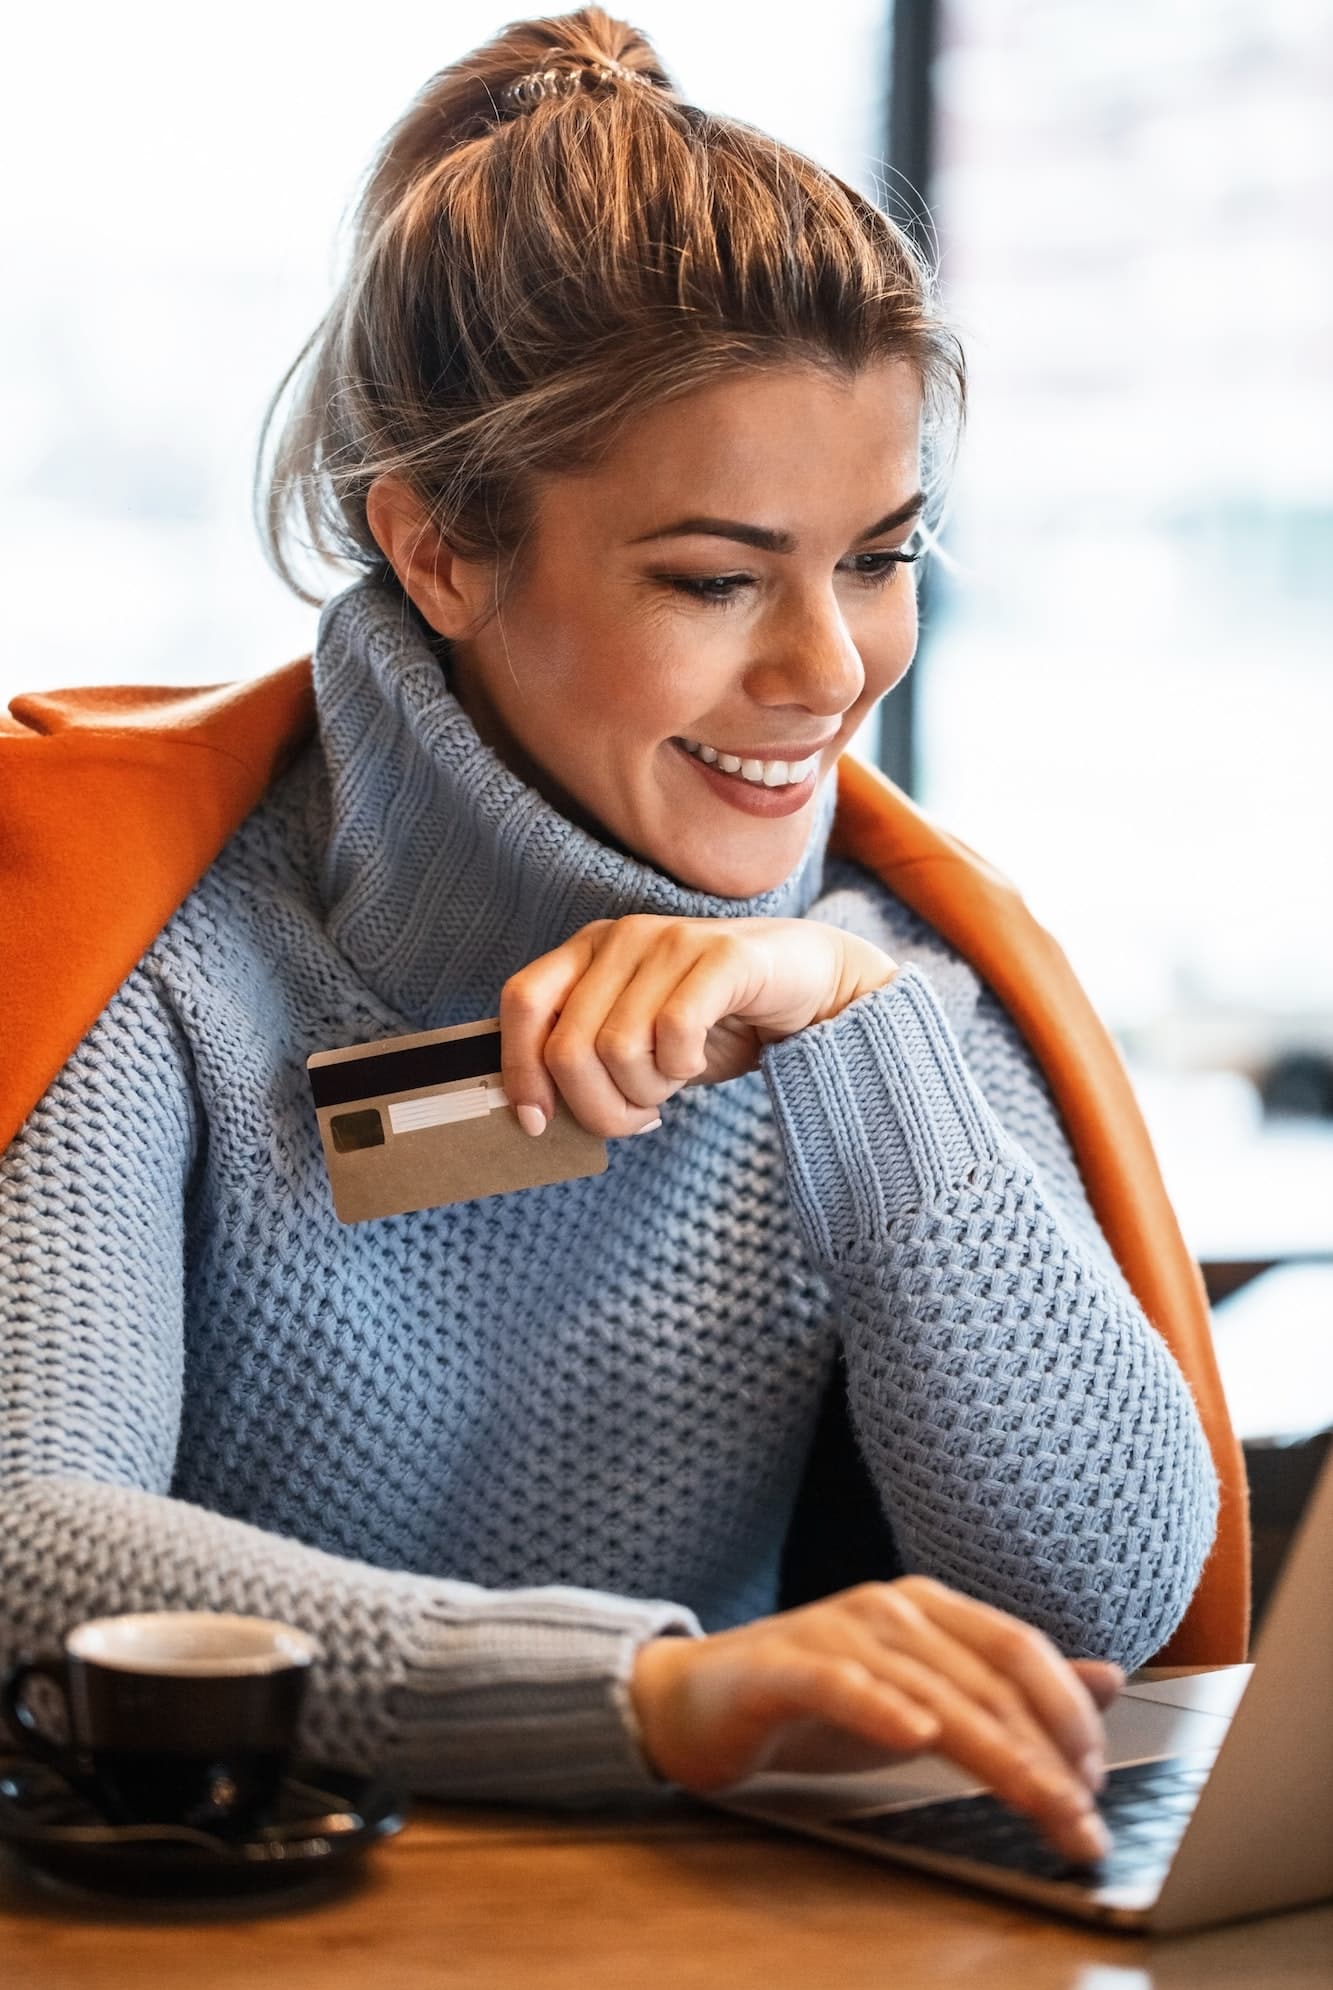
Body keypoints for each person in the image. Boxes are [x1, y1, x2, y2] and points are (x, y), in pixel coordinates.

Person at [0, 8, 1220, 1866]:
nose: (830, 672)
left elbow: (1103, 1600)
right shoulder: (158, 963)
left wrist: (841, 1016)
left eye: (880, 555)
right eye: (716, 578)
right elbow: (24, 1541)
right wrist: (645, 1701)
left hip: (710, 1946)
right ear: (439, 551)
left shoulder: (890, 985)